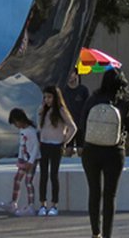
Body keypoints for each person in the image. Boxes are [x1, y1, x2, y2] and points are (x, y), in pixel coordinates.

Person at [80, 69, 129, 238]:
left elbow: (82, 124)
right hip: (114, 151)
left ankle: (95, 232)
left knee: (94, 191)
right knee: (110, 195)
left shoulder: (92, 99)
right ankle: (107, 234)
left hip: (91, 151)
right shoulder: (126, 102)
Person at [36, 85, 76, 216]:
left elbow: (73, 127)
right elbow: (39, 127)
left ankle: (54, 204)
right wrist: (40, 111)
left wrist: (65, 140)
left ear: (55, 97)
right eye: (45, 97)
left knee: (54, 175)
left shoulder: (61, 110)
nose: (47, 100)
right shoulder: (43, 110)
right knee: (43, 175)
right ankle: (42, 204)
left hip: (56, 145)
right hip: (44, 144)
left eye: (49, 97)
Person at [0, 107, 40, 217]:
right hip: (24, 160)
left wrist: (31, 161)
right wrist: (20, 158)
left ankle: (31, 205)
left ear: (20, 120)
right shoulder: (23, 131)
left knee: (28, 182)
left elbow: (36, 146)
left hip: (31, 160)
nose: (16, 126)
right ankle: (13, 203)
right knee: (17, 179)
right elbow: (22, 146)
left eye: (16, 123)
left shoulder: (31, 131)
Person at [62, 69, 89, 155]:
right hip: (67, 125)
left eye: (72, 74)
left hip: (80, 124)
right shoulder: (63, 90)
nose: (70, 76)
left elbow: (88, 106)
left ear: (77, 75)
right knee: (68, 150)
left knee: (81, 150)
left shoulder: (83, 90)